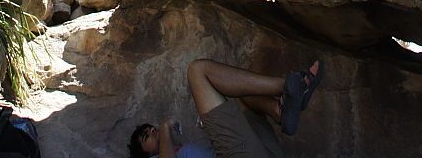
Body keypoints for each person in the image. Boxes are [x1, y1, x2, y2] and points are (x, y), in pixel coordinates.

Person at [128, 59, 323, 158]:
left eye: (150, 128)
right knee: (198, 70)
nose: (151, 131)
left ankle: (280, 109)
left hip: (260, 151)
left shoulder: (182, 148)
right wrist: (164, 125)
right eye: (147, 136)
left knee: (239, 94)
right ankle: (292, 87)